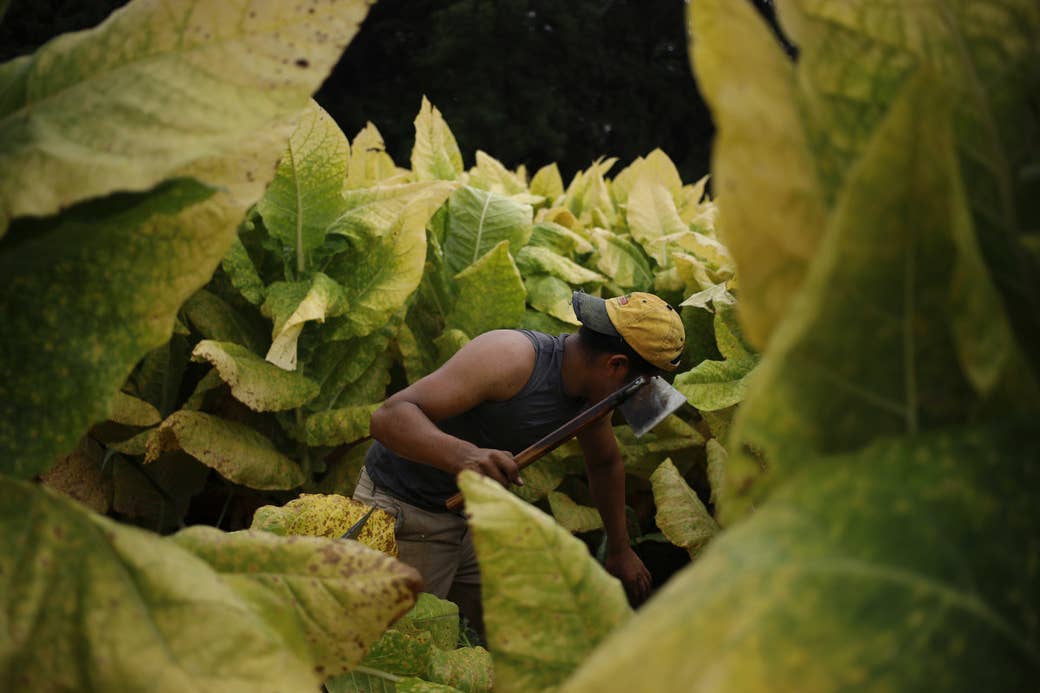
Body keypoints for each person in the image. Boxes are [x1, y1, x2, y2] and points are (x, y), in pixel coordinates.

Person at [353, 290, 686, 638]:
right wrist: (465, 456)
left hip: (469, 520)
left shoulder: (594, 395)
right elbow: (387, 419)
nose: (644, 399)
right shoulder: (510, 357)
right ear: (615, 365)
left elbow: (604, 463)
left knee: (524, 630)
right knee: (400, 645)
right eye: (644, 387)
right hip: (406, 512)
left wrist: (619, 548)